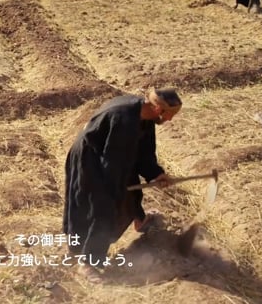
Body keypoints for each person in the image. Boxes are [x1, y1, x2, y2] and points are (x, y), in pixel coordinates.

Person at [62, 88, 182, 282]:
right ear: (159, 109)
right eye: (169, 115)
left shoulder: (145, 116)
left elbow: (143, 154)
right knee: (104, 206)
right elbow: (113, 163)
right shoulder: (124, 120)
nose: (169, 120)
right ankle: (87, 262)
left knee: (128, 189)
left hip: (109, 157)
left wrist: (156, 174)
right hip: (90, 158)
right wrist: (112, 191)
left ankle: (140, 221)